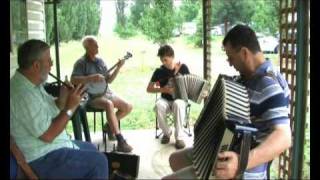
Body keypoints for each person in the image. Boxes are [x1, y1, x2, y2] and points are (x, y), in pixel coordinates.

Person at [163, 24, 292, 179]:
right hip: (223, 148)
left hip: (241, 167)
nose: (230, 63)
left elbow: (284, 137)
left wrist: (240, 162)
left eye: (231, 57)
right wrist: (201, 95)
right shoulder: (246, 79)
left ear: (244, 53)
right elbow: (234, 111)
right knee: (175, 159)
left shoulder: (268, 84)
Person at [10, 39, 109, 179]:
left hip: (53, 146)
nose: (51, 64)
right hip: (41, 157)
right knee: (99, 163)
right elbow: (48, 135)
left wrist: (63, 99)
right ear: (36, 65)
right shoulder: (22, 94)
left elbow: (52, 110)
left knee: (91, 149)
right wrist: (70, 107)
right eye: (49, 60)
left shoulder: (33, 84)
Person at [71, 35, 133, 153]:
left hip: (106, 92)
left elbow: (109, 80)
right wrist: (90, 78)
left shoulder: (100, 61)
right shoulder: (81, 63)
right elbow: (73, 79)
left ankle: (109, 126)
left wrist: (118, 68)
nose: (98, 46)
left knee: (128, 107)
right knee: (109, 104)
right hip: (91, 97)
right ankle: (120, 140)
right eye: (95, 45)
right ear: (87, 48)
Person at [146, 45, 190, 149]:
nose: (163, 62)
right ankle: (167, 132)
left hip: (179, 99)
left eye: (165, 59)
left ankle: (179, 138)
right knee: (158, 105)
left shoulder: (183, 68)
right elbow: (150, 88)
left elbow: (189, 85)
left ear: (172, 56)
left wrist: (176, 73)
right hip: (165, 99)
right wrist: (163, 89)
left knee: (178, 104)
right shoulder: (159, 72)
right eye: (161, 60)